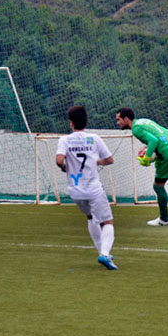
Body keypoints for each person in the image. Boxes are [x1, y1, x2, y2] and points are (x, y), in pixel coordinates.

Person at [56, 105, 118, 270]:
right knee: (107, 221)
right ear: (85, 121)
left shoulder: (65, 140)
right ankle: (104, 254)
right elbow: (110, 159)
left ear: (71, 123)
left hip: (75, 191)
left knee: (91, 218)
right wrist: (96, 161)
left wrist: (64, 167)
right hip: (93, 189)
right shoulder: (94, 138)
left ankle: (103, 252)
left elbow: (59, 160)